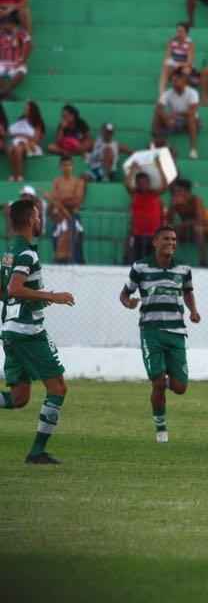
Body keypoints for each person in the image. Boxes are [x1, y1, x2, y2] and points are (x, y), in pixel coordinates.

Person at [0, 199, 76, 464]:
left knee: (19, 397)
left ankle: (37, 452)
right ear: (32, 219)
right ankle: (36, 452)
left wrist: (31, 300)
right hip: (27, 331)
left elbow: (5, 290)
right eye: (39, 215)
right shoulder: (26, 254)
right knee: (58, 388)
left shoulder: (10, 251)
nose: (41, 220)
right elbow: (13, 289)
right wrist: (51, 297)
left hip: (11, 330)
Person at [120, 226, 201, 444]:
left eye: (174, 239)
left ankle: (163, 378)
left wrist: (193, 310)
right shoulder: (140, 267)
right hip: (151, 331)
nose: (171, 243)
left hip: (176, 332)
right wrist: (129, 303)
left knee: (180, 387)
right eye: (166, 239)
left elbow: (188, 291)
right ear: (155, 242)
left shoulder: (183, 268)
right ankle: (161, 429)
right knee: (157, 383)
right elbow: (125, 294)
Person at [123, 162, 168, 263]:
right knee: (137, 260)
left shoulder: (154, 193)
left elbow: (165, 185)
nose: (143, 184)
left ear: (149, 182)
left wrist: (160, 167)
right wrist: (132, 170)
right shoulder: (134, 194)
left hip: (154, 234)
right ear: (137, 183)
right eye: (140, 182)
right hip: (137, 233)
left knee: (153, 261)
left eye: (145, 182)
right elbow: (126, 184)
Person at [45, 156, 86, 264]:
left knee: (75, 247)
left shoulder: (78, 182)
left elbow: (77, 201)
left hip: (73, 217)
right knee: (57, 245)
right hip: (59, 218)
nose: (67, 167)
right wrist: (61, 200)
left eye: (69, 165)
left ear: (73, 166)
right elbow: (53, 199)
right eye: (64, 165)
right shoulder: (57, 182)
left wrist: (58, 201)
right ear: (60, 167)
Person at [154, 71, 201, 160]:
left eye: (176, 80)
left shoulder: (192, 92)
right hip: (175, 121)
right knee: (157, 114)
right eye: (173, 81)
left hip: (192, 121)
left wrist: (176, 114)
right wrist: (166, 118)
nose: (174, 83)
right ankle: (156, 143)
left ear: (184, 81)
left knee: (191, 118)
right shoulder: (167, 93)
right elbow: (159, 108)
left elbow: (192, 111)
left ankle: (193, 149)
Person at [167, 179, 208, 266]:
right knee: (168, 231)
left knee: (198, 230)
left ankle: (203, 261)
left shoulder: (196, 200)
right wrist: (172, 207)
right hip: (185, 230)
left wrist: (181, 225)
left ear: (187, 192)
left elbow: (200, 220)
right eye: (175, 191)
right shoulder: (176, 201)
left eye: (179, 191)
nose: (176, 193)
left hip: (201, 230)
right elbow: (169, 220)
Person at [6, 99, 44, 182]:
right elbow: (9, 133)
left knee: (18, 149)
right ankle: (13, 174)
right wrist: (18, 135)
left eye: (27, 109)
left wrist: (23, 136)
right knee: (9, 149)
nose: (25, 110)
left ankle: (20, 175)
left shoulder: (38, 123)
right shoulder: (21, 120)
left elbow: (36, 139)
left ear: (32, 111)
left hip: (31, 145)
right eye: (25, 109)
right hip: (18, 142)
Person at [158, 22, 195, 99]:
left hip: (184, 65)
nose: (179, 33)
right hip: (173, 64)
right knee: (165, 68)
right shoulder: (172, 41)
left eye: (181, 31)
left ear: (186, 32)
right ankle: (162, 94)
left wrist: (179, 65)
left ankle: (184, 95)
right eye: (178, 31)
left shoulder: (190, 43)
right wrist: (169, 63)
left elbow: (189, 62)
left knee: (186, 71)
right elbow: (167, 57)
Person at [0, 16, 28, 99]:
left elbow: (29, 45)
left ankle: (5, 91)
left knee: (21, 72)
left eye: (6, 25)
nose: (3, 27)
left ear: (12, 24)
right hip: (2, 61)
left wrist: (22, 60)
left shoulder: (21, 33)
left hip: (16, 61)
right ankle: (6, 93)